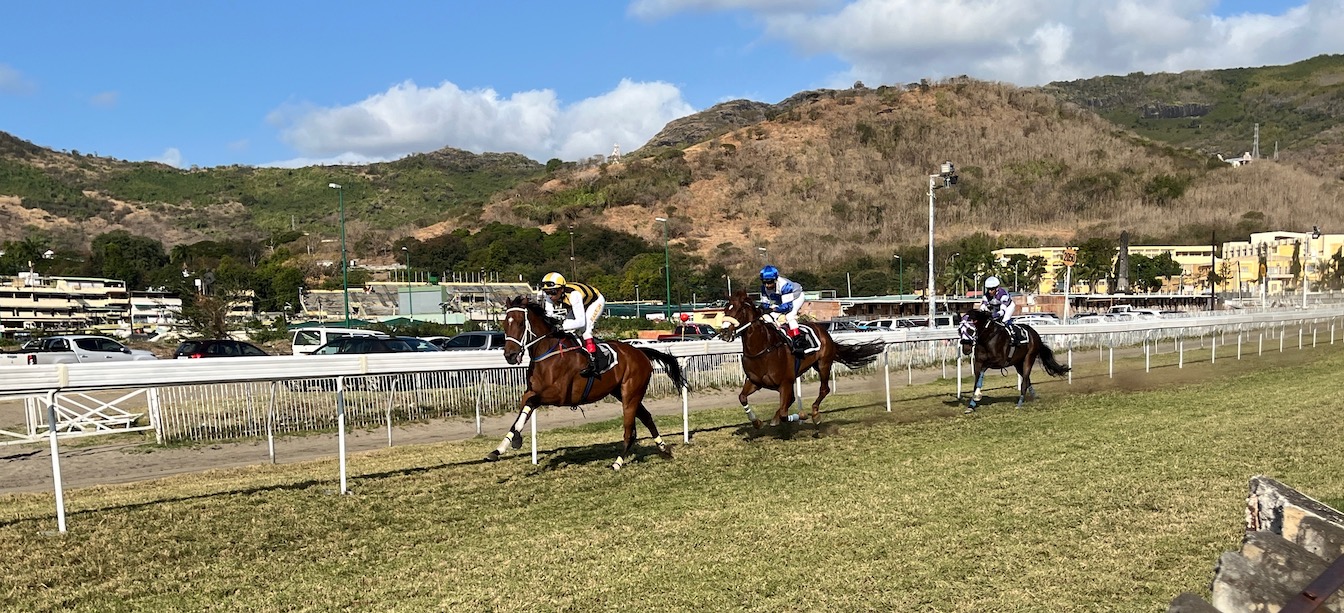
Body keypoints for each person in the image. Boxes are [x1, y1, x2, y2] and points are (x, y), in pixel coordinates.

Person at [538, 272, 607, 376]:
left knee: (585, 329)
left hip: (594, 302)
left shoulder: (574, 295)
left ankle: (593, 361)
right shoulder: (549, 296)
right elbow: (549, 316)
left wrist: (561, 326)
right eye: (547, 292)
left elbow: (580, 322)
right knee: (567, 327)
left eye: (553, 292)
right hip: (579, 304)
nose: (550, 296)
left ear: (561, 289)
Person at [757, 265, 808, 351]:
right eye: (764, 282)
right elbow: (765, 304)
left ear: (775, 279)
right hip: (782, 299)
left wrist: (773, 309)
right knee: (768, 316)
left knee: (789, 315)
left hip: (796, 297)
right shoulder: (763, 288)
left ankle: (798, 340)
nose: (767, 285)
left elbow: (787, 307)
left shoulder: (785, 285)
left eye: (770, 282)